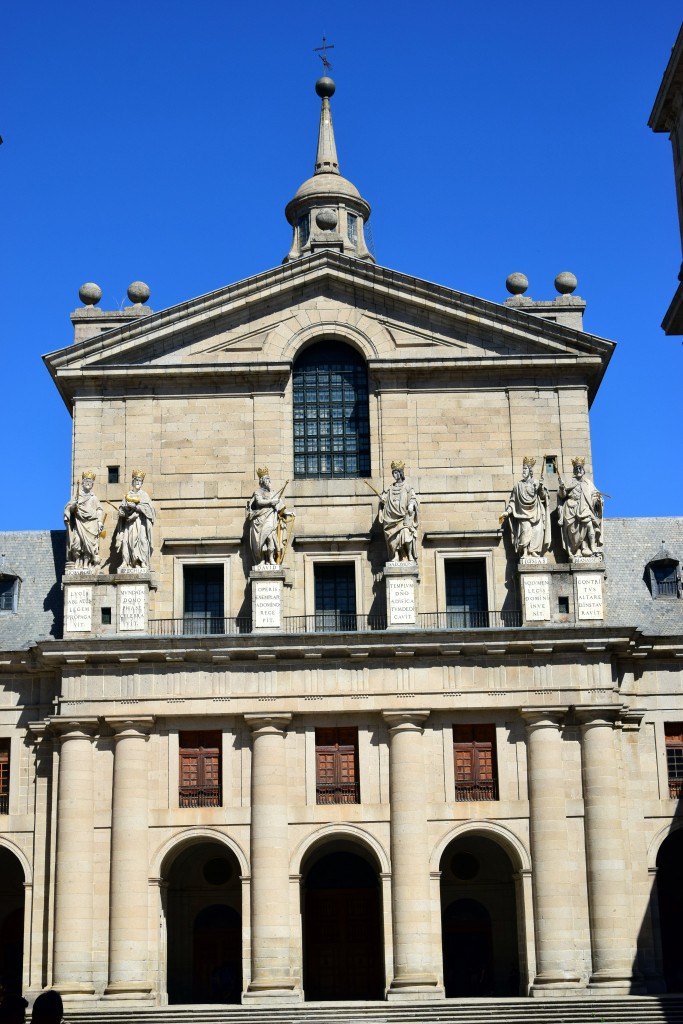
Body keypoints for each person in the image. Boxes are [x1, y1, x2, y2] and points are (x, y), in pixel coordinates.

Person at [499, 457, 550, 558]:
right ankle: (525, 552)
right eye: (523, 469)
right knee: (526, 531)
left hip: (536, 512)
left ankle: (533, 551)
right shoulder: (518, 486)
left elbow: (543, 495)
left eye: (525, 469)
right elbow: (513, 501)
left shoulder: (536, 483)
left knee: (537, 531)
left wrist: (540, 487)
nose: (523, 471)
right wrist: (507, 512)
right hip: (522, 513)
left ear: (530, 471)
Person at [557, 457, 604, 561]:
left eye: (580, 468)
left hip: (585, 508)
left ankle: (592, 547)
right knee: (574, 531)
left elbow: (594, 494)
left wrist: (598, 499)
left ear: (583, 470)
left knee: (589, 525)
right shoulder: (570, 482)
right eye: (576, 468)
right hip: (571, 508)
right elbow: (562, 495)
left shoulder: (588, 483)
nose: (578, 470)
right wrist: (561, 487)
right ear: (574, 470)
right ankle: (578, 549)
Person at [245, 468, 294, 566]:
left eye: (269, 479)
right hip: (260, 519)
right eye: (267, 480)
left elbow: (280, 506)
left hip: (270, 519)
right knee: (260, 542)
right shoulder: (258, 492)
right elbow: (259, 502)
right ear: (262, 481)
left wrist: (287, 513)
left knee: (270, 538)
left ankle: (271, 559)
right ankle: (262, 560)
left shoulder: (273, 493)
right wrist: (271, 502)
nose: (269, 481)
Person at [379, 461, 419, 563]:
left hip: (403, 517)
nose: (395, 475)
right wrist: (382, 501)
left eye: (397, 472)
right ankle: (395, 555)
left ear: (401, 473)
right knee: (392, 538)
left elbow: (413, 498)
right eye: (393, 473)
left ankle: (409, 554)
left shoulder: (408, 487)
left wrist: (411, 504)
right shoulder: (389, 488)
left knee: (406, 533)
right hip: (390, 518)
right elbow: (383, 499)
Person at [115, 469, 155, 570]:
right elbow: (122, 509)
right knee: (127, 541)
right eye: (136, 480)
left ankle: (142, 561)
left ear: (142, 483)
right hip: (129, 524)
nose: (138, 482)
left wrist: (136, 507)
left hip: (140, 523)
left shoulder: (144, 495)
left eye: (140, 481)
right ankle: (126, 561)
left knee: (142, 540)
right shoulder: (128, 495)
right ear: (133, 481)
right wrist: (122, 513)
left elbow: (150, 511)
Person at [63, 470, 104, 569]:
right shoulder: (77, 496)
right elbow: (68, 507)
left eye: (90, 482)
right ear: (83, 483)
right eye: (86, 481)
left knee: (88, 545)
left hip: (91, 524)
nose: (88, 483)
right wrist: (72, 507)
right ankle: (77, 560)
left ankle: (86, 563)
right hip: (79, 523)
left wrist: (99, 522)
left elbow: (99, 509)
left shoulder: (94, 498)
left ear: (92, 484)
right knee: (77, 542)